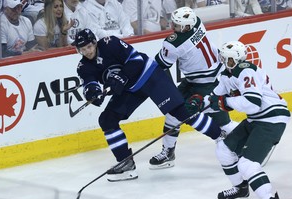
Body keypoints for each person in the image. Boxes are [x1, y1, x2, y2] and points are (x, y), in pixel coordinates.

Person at [72, 28, 226, 182]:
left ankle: (220, 136)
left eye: (89, 47)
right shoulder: (83, 66)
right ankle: (126, 163)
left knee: (180, 112)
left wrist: (121, 77)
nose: (87, 52)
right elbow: (90, 84)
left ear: (94, 42)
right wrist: (94, 94)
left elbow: (136, 60)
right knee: (107, 119)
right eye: (82, 49)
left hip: (149, 75)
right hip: (131, 89)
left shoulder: (110, 43)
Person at [209, 41, 289, 199]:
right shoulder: (227, 75)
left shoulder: (246, 71)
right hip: (256, 120)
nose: (223, 61)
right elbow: (214, 96)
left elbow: (253, 104)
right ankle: (240, 189)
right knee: (224, 150)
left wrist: (225, 103)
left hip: (271, 119)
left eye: (227, 59)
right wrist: (200, 103)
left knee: (247, 164)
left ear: (235, 60)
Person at [149, 7, 237, 169]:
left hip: (209, 83)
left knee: (222, 123)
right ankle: (168, 152)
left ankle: (253, 141)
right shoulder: (197, 23)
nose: (173, 27)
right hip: (199, 77)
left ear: (187, 27)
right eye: (173, 23)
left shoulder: (175, 43)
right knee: (173, 112)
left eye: (177, 25)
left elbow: (161, 64)